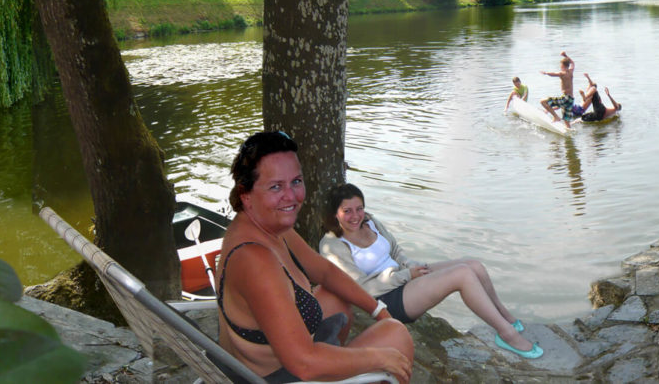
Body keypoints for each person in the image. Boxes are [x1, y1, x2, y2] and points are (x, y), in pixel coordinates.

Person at [215, 132, 414, 383]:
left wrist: (378, 309)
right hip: (272, 377)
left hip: (263, 365)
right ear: (246, 194)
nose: (292, 195)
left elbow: (325, 272)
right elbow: (304, 363)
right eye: (276, 186)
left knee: (335, 294)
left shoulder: (266, 227)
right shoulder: (255, 260)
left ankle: (336, 368)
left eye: (296, 181)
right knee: (396, 336)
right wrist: (379, 357)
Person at [316, 183, 545, 359]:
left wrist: (411, 267)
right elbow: (363, 288)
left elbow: (395, 250)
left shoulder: (370, 221)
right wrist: (407, 275)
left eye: (360, 208)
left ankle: (507, 318)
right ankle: (508, 336)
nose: (356, 216)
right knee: (462, 275)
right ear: (334, 214)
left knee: (473, 264)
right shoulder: (332, 244)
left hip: (404, 278)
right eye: (348, 211)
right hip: (386, 300)